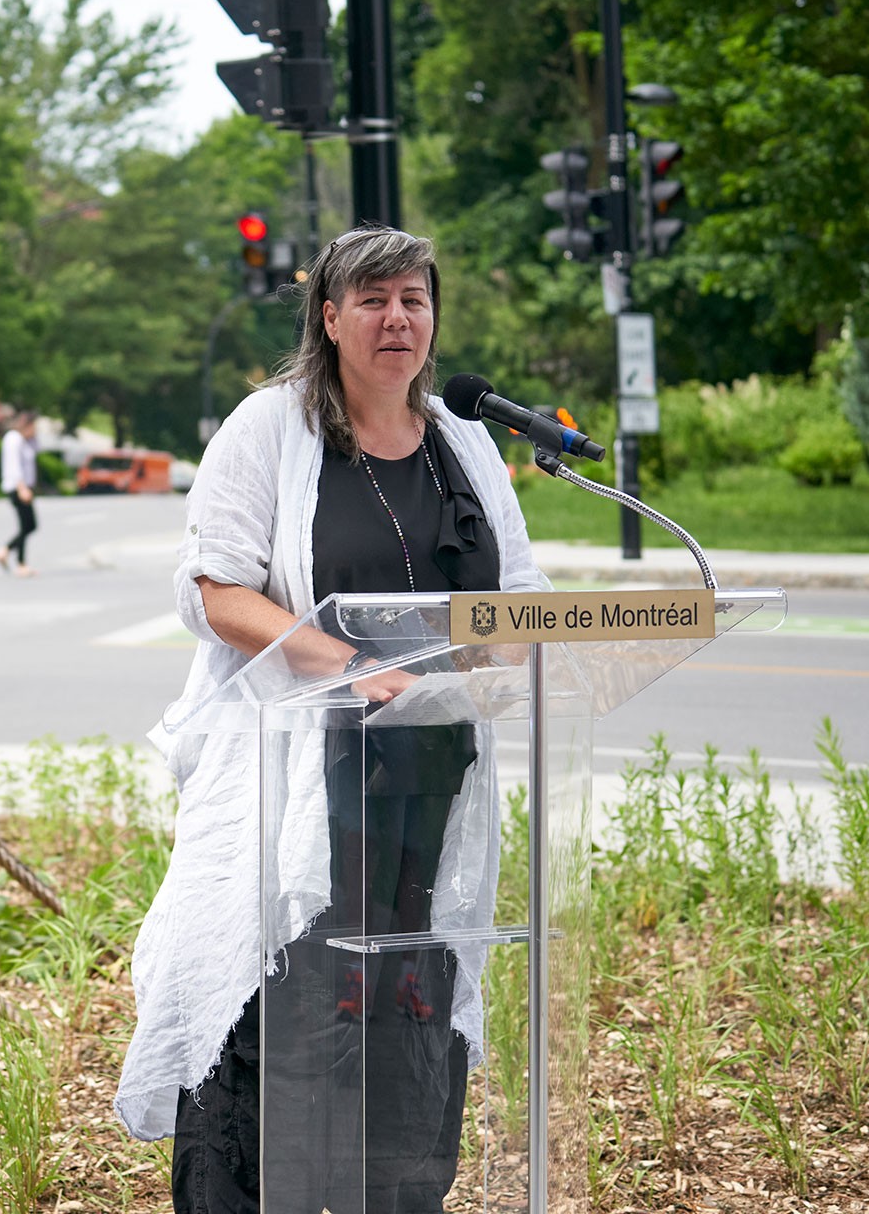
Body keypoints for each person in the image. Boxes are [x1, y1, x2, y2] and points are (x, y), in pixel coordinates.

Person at [113, 227, 551, 1214]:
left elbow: (519, 590)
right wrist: (352, 669)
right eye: (374, 299)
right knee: (282, 997)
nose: (398, 318)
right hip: (294, 777)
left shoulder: (466, 438)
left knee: (406, 998)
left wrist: (499, 655)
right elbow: (213, 587)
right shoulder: (268, 428)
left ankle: (394, 1188)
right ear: (329, 316)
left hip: (428, 780)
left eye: (414, 299)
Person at [0, 408, 40, 577]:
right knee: (29, 525)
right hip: (18, 487)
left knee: (26, 526)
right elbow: (14, 466)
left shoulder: (23, 440)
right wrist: (22, 488)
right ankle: (8, 553)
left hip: (23, 487)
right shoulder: (13, 439)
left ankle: (16, 560)